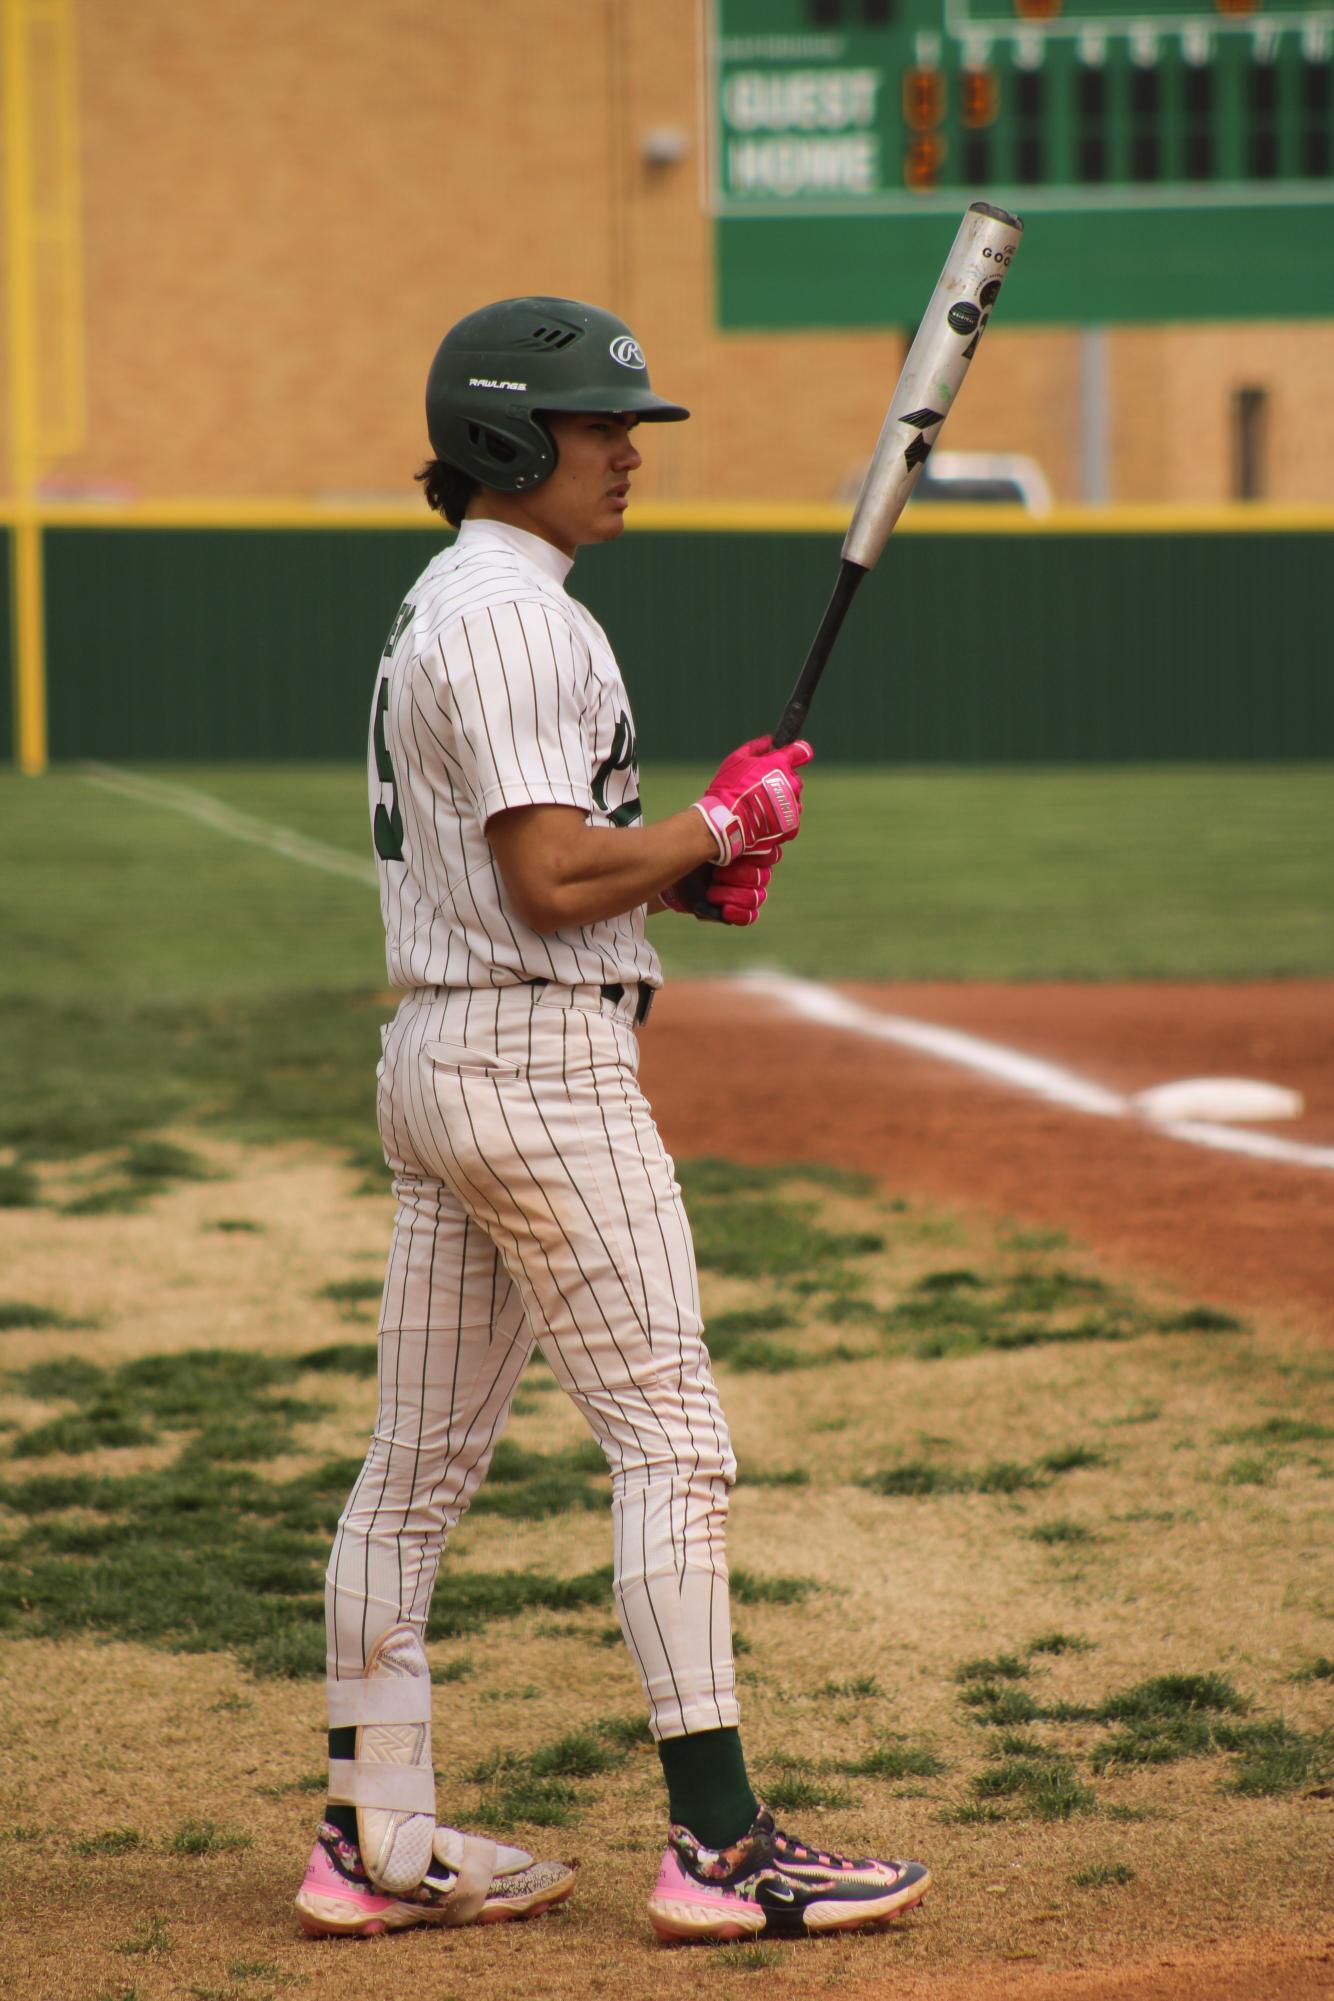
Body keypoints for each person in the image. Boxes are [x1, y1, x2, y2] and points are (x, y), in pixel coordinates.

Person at [293, 297, 930, 1945]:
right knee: (671, 1437)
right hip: (535, 1070)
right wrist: (715, 816)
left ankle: (374, 1833)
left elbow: (571, 877)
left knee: (411, 1471)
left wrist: (693, 872)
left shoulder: (461, 601)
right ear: (511, 440)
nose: (628, 450)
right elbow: (551, 872)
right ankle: (718, 1846)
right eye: (599, 426)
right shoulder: (514, 619)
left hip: (448, 1054)